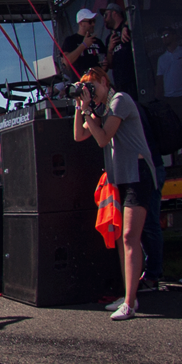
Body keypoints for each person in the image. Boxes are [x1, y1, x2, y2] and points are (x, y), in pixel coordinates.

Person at [74, 66, 156, 320]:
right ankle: (129, 295)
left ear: (104, 82)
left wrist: (87, 111)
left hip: (137, 175)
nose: (91, 92)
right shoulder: (100, 109)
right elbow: (79, 135)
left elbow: (102, 138)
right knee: (122, 238)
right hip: (120, 178)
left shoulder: (119, 101)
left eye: (93, 87)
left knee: (130, 236)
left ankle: (129, 303)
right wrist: (79, 107)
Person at [155, 28, 182, 161]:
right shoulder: (162, 59)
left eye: (167, 35)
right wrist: (159, 99)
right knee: (173, 132)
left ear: (174, 36)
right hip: (170, 99)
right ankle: (176, 162)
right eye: (162, 36)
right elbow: (159, 80)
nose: (164, 38)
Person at [58, 8, 104, 81]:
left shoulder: (97, 41)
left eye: (94, 21)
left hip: (97, 82)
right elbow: (66, 62)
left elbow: (105, 62)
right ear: (81, 23)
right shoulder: (71, 40)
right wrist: (83, 45)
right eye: (90, 22)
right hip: (80, 82)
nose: (93, 24)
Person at [102, 2, 137, 96]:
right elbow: (110, 65)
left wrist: (126, 25)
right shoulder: (109, 38)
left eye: (106, 15)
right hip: (120, 83)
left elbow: (135, 14)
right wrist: (110, 49)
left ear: (114, 13)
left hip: (135, 79)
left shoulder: (127, 27)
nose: (104, 19)